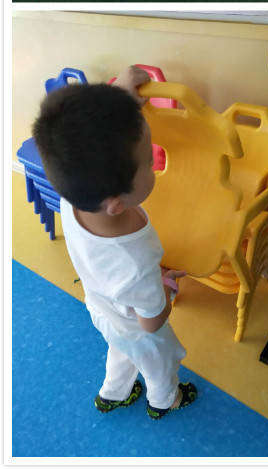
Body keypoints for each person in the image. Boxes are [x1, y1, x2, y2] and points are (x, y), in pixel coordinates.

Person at [32, 66, 197, 419]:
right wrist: (165, 288)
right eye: (148, 163)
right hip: (140, 328)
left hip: (103, 308)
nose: (153, 166)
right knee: (160, 365)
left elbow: (82, 136)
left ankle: (114, 393)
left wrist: (120, 97)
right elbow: (151, 323)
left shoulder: (74, 195)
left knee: (120, 353)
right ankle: (164, 401)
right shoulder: (136, 260)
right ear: (117, 204)